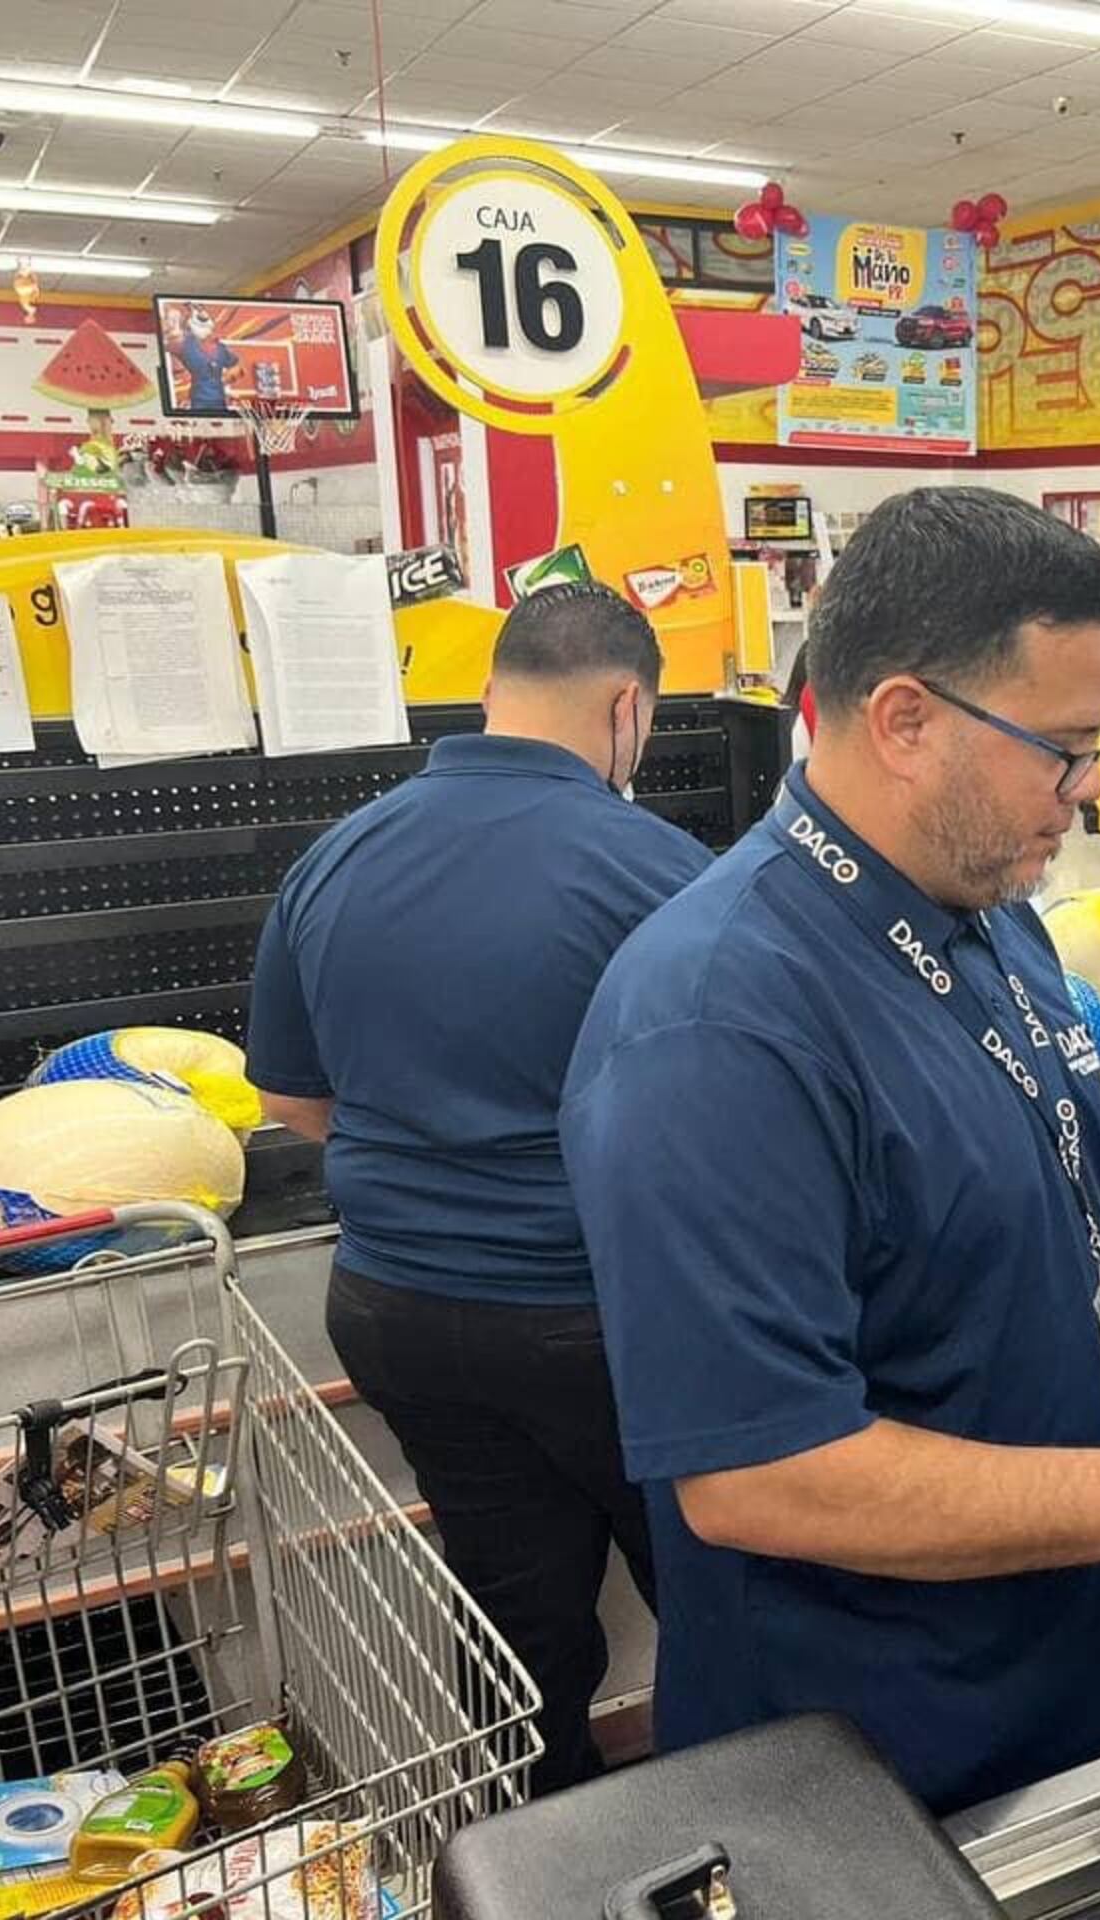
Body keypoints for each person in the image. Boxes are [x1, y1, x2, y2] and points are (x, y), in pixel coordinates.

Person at [561, 487, 1100, 1816]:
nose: (1086, 795)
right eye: (1065, 748)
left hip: (1053, 1673)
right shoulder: (716, 1024)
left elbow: (1082, 1212)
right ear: (907, 720)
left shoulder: (989, 910)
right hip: (858, 1750)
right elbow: (759, 1477)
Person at [245, 582, 712, 1793]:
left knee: (517, 1628)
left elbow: (295, 1105)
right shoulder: (660, 869)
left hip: (396, 1310)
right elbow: (732, 1118)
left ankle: (537, 1862)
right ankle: (746, 1835)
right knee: (719, 1599)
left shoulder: (335, 856)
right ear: (627, 707)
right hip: (596, 1318)